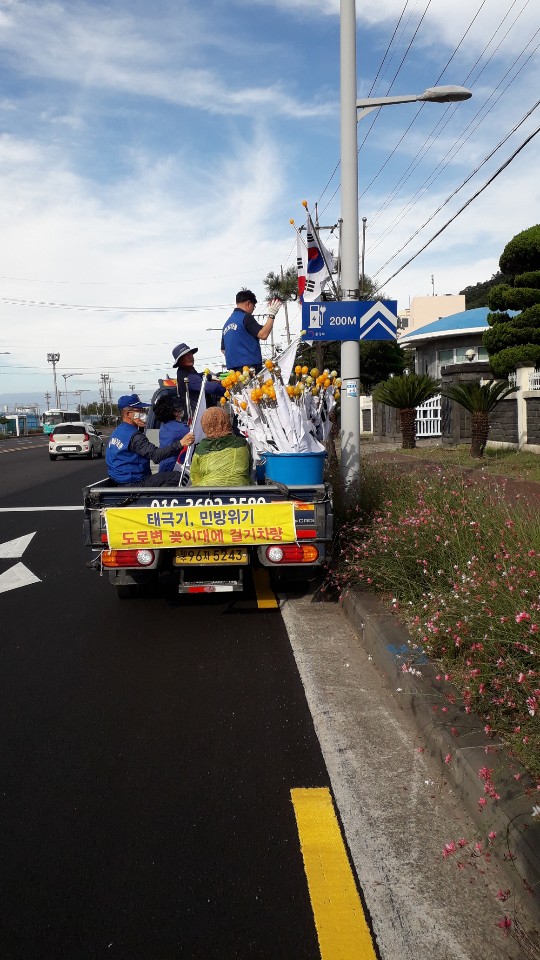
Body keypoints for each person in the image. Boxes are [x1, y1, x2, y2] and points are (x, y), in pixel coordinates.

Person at [106, 394, 194, 486]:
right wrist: (180, 443)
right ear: (128, 414)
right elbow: (155, 456)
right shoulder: (135, 436)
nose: (143, 414)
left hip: (119, 481)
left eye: (143, 410)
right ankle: (159, 498)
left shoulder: (117, 432)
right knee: (178, 477)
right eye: (139, 411)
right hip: (135, 483)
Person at [221, 289, 282, 373]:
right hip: (250, 369)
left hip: (233, 372)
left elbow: (223, 350)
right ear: (248, 303)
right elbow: (263, 334)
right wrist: (272, 315)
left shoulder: (227, 324)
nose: (253, 309)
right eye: (254, 306)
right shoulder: (245, 317)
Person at [190, 407, 251, 487]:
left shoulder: (201, 447)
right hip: (240, 492)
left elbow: (195, 477)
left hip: (208, 493)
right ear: (227, 422)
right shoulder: (242, 444)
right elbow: (248, 469)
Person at [172, 343, 226, 412]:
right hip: (199, 418)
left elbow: (198, 375)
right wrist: (227, 388)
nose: (190, 357)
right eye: (185, 356)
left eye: (190, 354)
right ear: (179, 361)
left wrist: (209, 376)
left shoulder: (188, 371)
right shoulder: (188, 377)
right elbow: (213, 388)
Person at [153, 395, 191, 473]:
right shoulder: (181, 429)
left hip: (163, 468)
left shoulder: (164, 427)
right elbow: (194, 436)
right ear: (175, 413)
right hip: (174, 468)